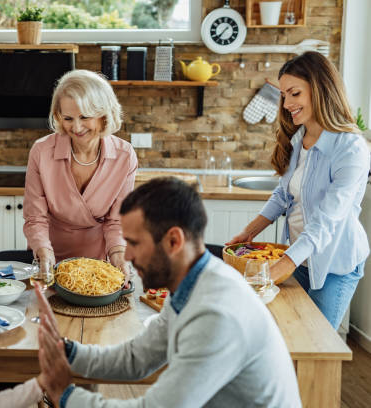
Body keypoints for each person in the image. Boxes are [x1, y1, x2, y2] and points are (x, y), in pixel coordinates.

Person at [35, 177, 302, 407]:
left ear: (174, 241)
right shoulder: (190, 284)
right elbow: (136, 358)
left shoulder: (216, 314)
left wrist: (65, 396)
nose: (126, 255)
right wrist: (66, 351)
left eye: (135, 243)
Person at [227, 51, 370, 330]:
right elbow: (283, 196)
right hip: (296, 257)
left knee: (316, 344)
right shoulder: (299, 138)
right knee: (288, 335)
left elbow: (327, 220)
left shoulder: (350, 148)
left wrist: (284, 264)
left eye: (294, 93)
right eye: (283, 95)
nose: (287, 103)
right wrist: (248, 233)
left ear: (319, 89)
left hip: (333, 267)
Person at [23, 69, 137, 283]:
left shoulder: (124, 155)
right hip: (49, 258)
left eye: (85, 117)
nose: (76, 127)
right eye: (68, 118)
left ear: (104, 114)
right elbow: (35, 217)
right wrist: (45, 256)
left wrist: (119, 257)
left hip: (100, 263)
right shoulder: (42, 152)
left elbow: (116, 222)